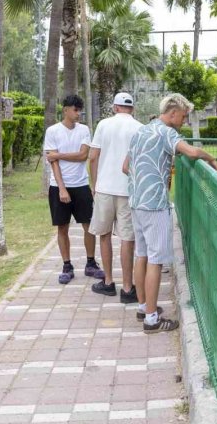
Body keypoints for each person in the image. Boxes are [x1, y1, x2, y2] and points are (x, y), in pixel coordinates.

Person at [123, 93, 217, 333]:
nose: (184, 121)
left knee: (142, 255)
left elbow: (126, 167)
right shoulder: (168, 133)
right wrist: (210, 157)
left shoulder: (142, 131)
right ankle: (152, 320)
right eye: (184, 116)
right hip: (154, 204)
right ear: (173, 112)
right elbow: (192, 152)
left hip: (136, 201)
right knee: (155, 260)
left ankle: (144, 306)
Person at [87, 92, 143, 301]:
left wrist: (95, 184)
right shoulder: (140, 128)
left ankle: (109, 282)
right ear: (132, 108)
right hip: (128, 190)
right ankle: (128, 289)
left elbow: (93, 157)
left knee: (104, 235)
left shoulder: (104, 125)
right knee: (128, 239)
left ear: (115, 107)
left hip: (104, 187)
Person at [44, 94, 103, 284]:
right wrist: (61, 188)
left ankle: (91, 264)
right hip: (58, 186)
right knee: (62, 227)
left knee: (89, 226)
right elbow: (53, 164)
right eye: (75, 110)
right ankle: (67, 266)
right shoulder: (52, 131)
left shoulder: (84, 129)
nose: (78, 113)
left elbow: (83, 155)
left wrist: (57, 155)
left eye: (80, 110)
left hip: (81, 185)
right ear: (65, 110)